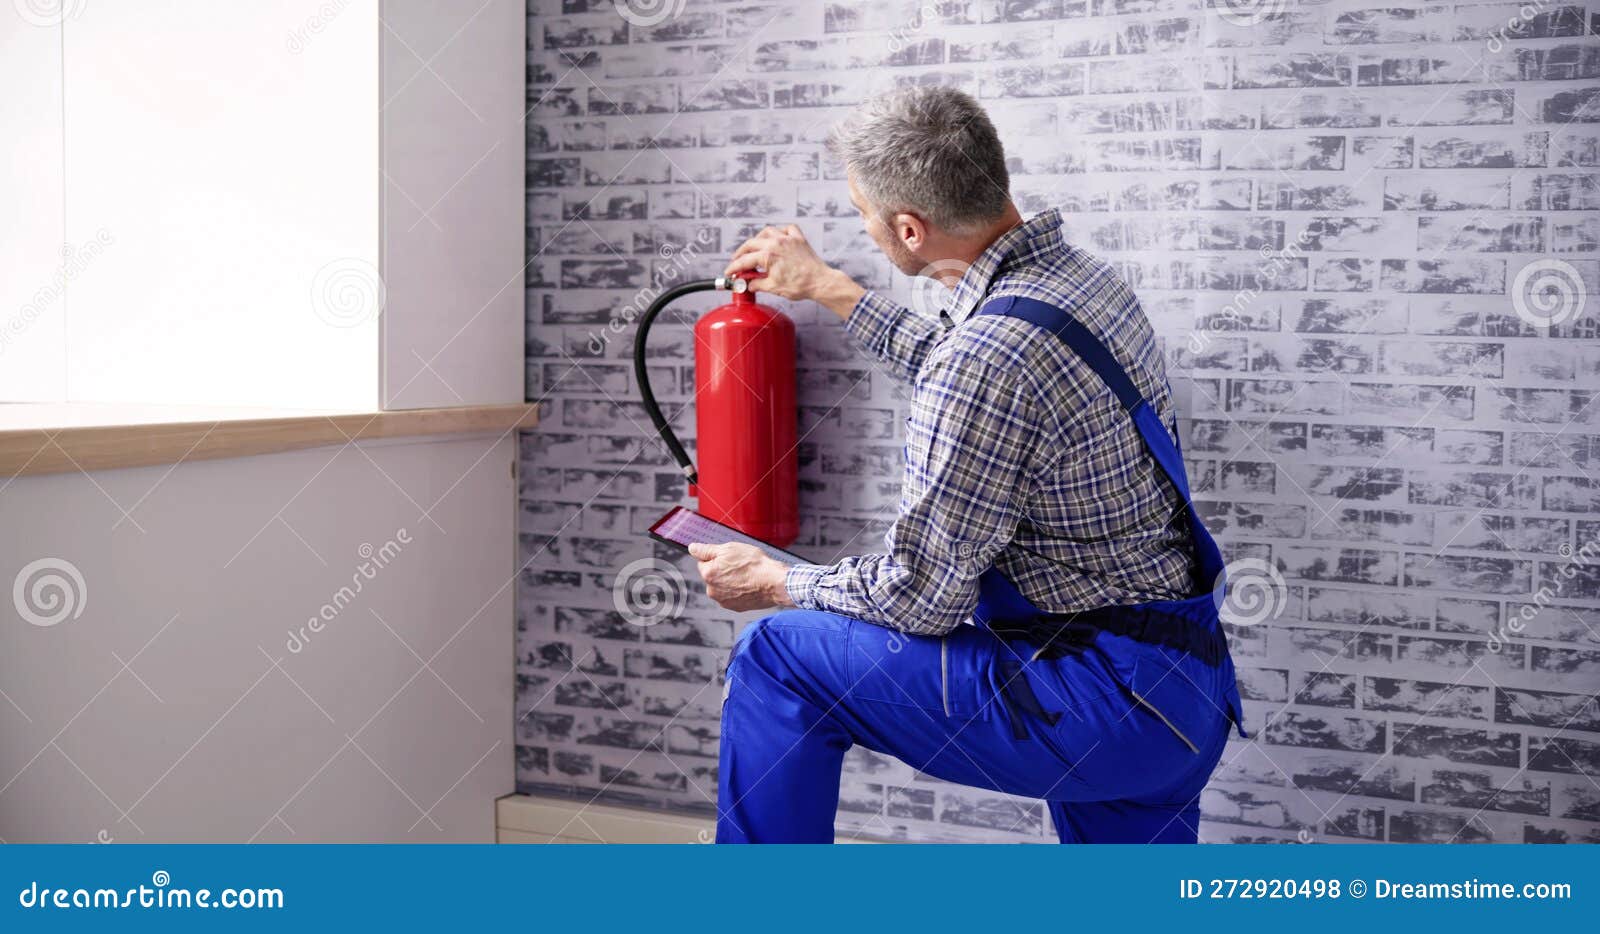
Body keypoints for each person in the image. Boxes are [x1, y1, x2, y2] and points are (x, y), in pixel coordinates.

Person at [687, 86, 1246, 844]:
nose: (864, 228)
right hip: (1181, 694)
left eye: (863, 214)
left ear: (909, 230)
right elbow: (977, 371)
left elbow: (922, 596)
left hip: (1095, 702)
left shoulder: (983, 361)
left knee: (776, 655)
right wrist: (831, 289)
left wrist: (777, 582)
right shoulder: (1081, 282)